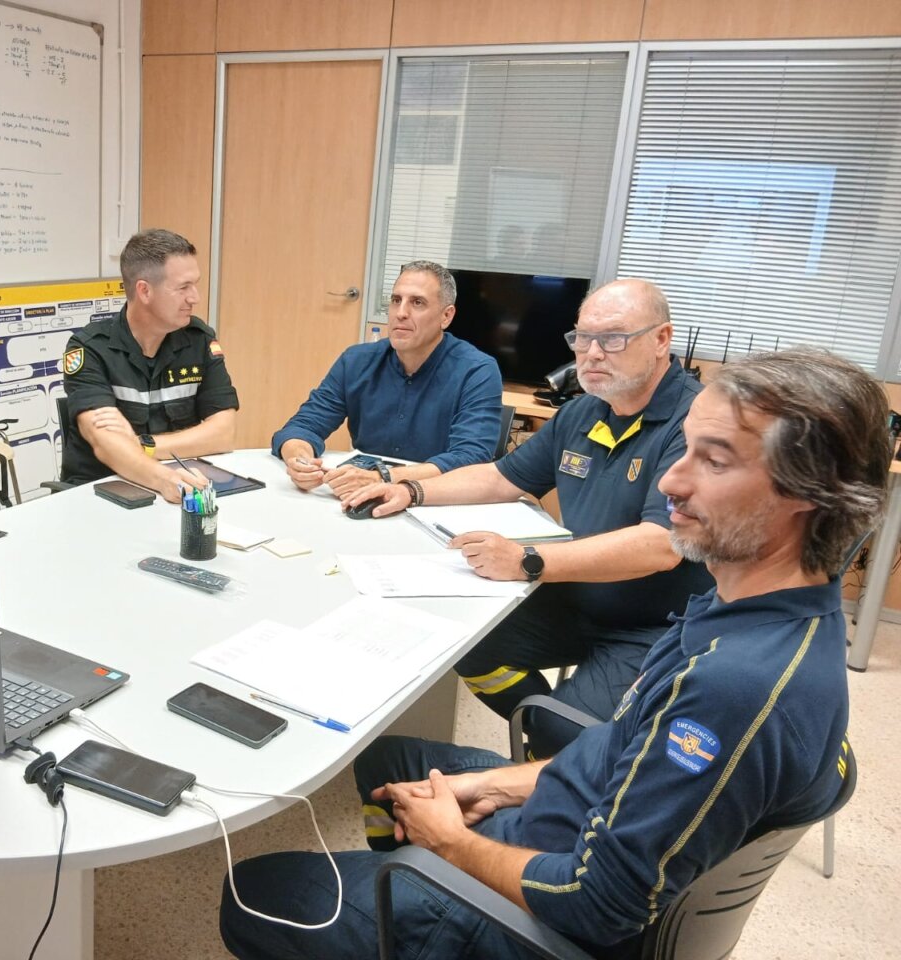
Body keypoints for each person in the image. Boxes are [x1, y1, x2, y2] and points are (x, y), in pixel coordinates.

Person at [219, 346, 887, 959]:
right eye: (683, 452)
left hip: (545, 915)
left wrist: (451, 841)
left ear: (807, 495)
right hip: (571, 813)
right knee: (393, 760)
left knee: (253, 891)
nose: (671, 484)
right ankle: (411, 900)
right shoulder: (752, 604)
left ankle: (433, 916)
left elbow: (601, 904)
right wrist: (491, 784)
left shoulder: (734, 690)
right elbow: (626, 750)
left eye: (713, 461)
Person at [346, 278, 713, 755]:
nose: (592, 354)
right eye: (582, 338)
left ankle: (564, 746)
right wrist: (410, 489)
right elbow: (502, 478)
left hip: (657, 623)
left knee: (564, 731)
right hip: (579, 594)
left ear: (661, 340)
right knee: (462, 645)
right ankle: (549, 735)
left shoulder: (696, 422)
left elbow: (659, 545)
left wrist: (527, 560)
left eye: (613, 339)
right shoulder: (584, 411)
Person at [272, 260, 503, 500]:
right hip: (360, 498)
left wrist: (382, 477)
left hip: (435, 500)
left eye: (417, 302)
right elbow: (302, 426)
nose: (401, 313)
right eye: (395, 300)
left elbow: (470, 458)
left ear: (446, 316)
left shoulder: (477, 370)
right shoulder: (357, 360)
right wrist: (300, 460)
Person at [60, 228, 239, 500]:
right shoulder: (90, 348)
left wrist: (143, 444)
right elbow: (106, 444)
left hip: (179, 487)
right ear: (144, 291)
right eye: (183, 288)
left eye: (195, 285)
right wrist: (164, 478)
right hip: (103, 494)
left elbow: (223, 433)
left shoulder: (199, 341)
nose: (195, 298)